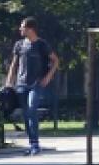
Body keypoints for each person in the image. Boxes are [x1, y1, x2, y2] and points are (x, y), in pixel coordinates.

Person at [3, 17, 59, 155]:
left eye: (22, 27)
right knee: (26, 114)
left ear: (30, 29)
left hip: (37, 83)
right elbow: (14, 64)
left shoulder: (42, 45)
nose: (20, 29)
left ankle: (35, 144)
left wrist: (48, 77)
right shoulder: (19, 45)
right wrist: (9, 82)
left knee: (32, 108)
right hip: (21, 84)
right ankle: (32, 144)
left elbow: (56, 61)